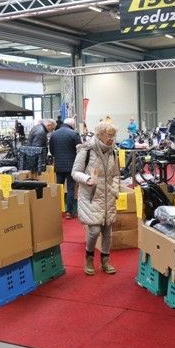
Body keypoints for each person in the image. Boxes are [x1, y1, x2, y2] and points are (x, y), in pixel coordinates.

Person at [72, 121, 119, 276]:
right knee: (94, 230)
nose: (112, 138)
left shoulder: (113, 152)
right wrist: (87, 179)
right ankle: (89, 257)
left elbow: (116, 174)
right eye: (109, 135)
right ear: (100, 134)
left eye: (113, 135)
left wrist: (115, 189)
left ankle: (105, 260)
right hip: (91, 196)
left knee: (108, 231)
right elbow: (75, 172)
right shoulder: (86, 150)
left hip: (108, 197)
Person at [49, 118, 81, 219]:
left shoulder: (54, 134)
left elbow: (52, 151)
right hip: (72, 166)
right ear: (72, 125)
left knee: (59, 189)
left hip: (59, 165)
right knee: (71, 189)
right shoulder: (74, 134)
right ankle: (69, 212)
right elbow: (80, 151)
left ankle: (57, 210)